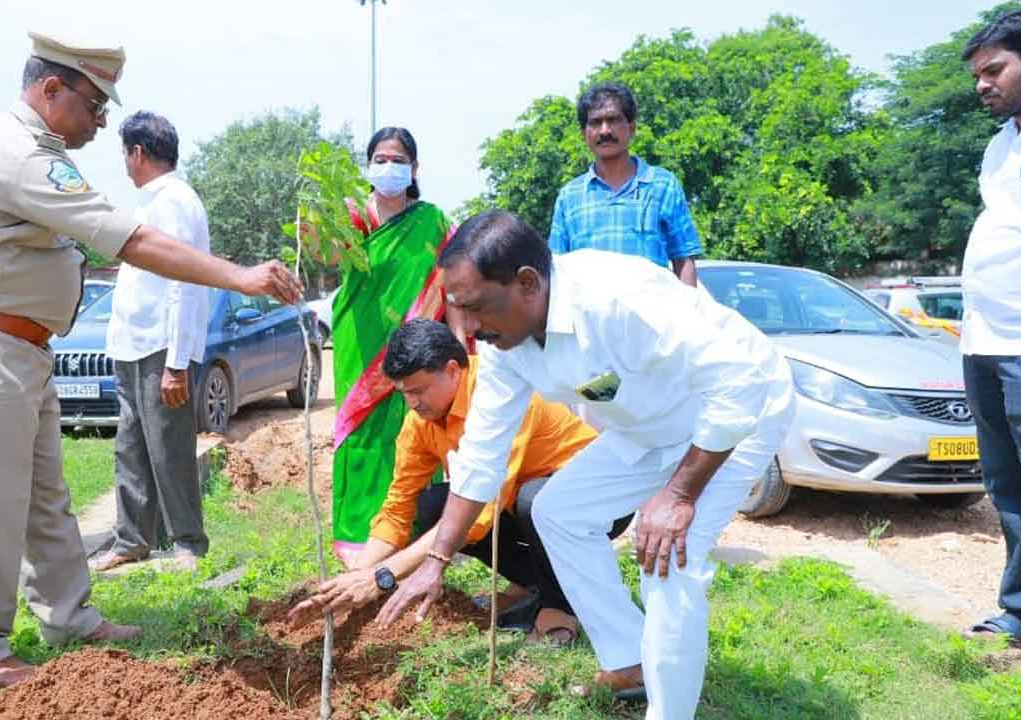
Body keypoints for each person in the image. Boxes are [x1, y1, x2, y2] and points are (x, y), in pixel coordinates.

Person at [0, 32, 300, 688]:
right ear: (51, 89)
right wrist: (237, 276)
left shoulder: (38, 150)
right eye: (94, 105)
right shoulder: (18, 153)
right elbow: (130, 240)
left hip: (15, 347)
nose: (100, 123)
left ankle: (68, 616)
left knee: (43, 494)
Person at [376, 211, 794, 718]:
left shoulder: (617, 299)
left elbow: (739, 383)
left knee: (666, 558)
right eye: (456, 309)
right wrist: (437, 560)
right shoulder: (506, 342)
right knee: (558, 511)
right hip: (649, 424)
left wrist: (679, 497)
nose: (465, 328)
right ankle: (632, 658)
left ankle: (671, 710)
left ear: (527, 284)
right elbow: (483, 453)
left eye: (476, 307)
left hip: (733, 417)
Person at [290, 319, 631, 643]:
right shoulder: (420, 422)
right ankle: (536, 584)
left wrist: (383, 577)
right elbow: (398, 510)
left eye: (419, 390)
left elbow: (477, 513)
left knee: (535, 501)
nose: (412, 403)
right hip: (518, 502)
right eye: (404, 393)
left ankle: (561, 605)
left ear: (453, 370)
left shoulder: (499, 395)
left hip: (596, 501)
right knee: (434, 505)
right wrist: (354, 578)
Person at [959, 10, 1021, 653]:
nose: (982, 86)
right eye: (977, 76)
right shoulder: (1003, 143)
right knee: (1008, 488)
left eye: (994, 70)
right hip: (985, 342)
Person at [331, 127, 458, 565]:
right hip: (360, 346)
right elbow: (327, 259)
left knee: (413, 435)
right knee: (361, 437)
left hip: (417, 355)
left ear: (414, 168)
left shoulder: (434, 223)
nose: (388, 167)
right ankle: (355, 541)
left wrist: (460, 349)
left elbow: (451, 289)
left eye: (397, 159)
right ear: (369, 167)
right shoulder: (349, 218)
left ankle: (412, 544)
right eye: (380, 159)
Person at [90, 111, 211, 572]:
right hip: (133, 346)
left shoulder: (174, 201)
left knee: (169, 448)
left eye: (124, 152)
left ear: (137, 153)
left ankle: (187, 542)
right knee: (131, 446)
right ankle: (132, 539)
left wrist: (177, 363)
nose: (123, 161)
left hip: (161, 348)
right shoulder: (148, 202)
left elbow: (185, 282)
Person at [548, 82, 702, 287]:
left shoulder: (662, 185)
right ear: (584, 133)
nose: (604, 130)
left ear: (631, 127)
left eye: (612, 120)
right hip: (590, 319)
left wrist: (687, 315)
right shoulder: (570, 197)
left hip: (652, 317)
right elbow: (556, 272)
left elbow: (684, 261)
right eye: (595, 122)